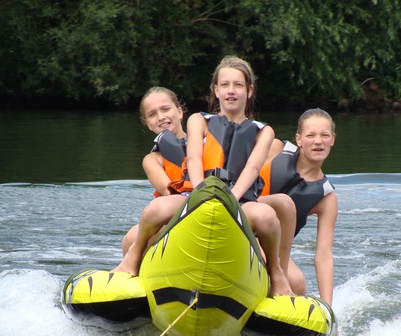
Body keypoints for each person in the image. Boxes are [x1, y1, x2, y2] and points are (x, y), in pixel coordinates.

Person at [114, 55, 294, 297]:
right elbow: (196, 158)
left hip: (239, 200)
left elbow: (252, 169)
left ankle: (275, 271)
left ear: (249, 91)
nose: (231, 91)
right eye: (225, 85)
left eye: (238, 85)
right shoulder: (199, 121)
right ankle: (133, 259)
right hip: (196, 195)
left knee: (267, 217)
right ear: (216, 90)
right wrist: (201, 193)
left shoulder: (264, 131)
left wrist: (230, 197)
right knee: (155, 209)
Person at [259, 108, 338, 305]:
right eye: (310, 135)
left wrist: (328, 307)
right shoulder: (274, 149)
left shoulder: (326, 197)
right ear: (299, 139)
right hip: (242, 221)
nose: (318, 141)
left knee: (298, 284)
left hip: (271, 246)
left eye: (324, 135)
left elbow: (324, 255)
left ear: (332, 140)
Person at [121, 86, 188, 254]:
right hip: (175, 215)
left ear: (179, 112)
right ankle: (132, 272)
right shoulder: (152, 160)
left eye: (166, 109)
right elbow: (168, 192)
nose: (161, 117)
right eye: (152, 114)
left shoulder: (208, 143)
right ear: (148, 125)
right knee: (130, 239)